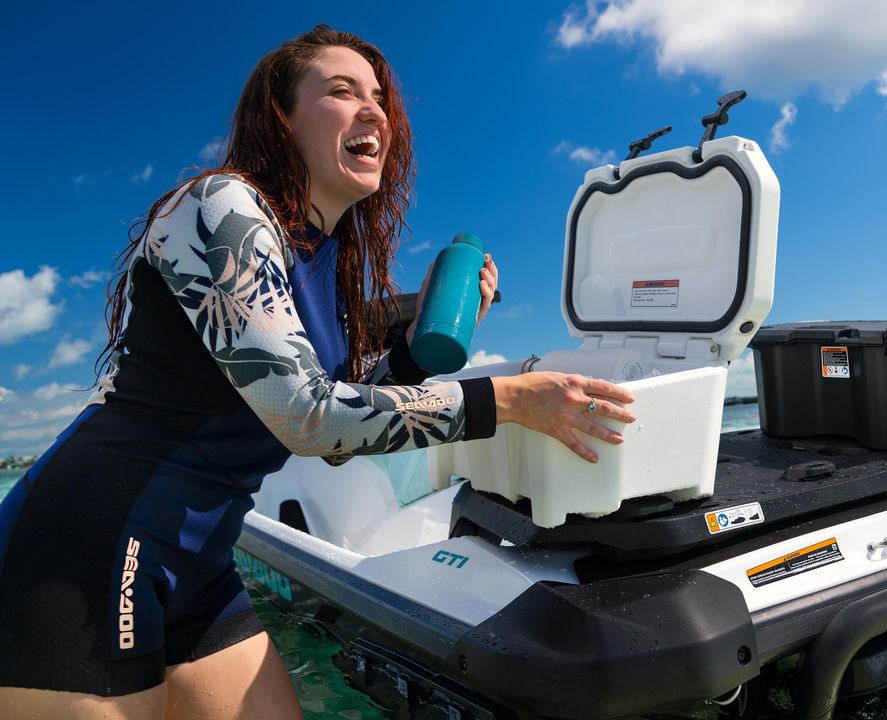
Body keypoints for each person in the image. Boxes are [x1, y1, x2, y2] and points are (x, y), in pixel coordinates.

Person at [0, 25, 635, 719]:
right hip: (91, 542)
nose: (374, 112)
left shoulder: (326, 266)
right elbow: (307, 416)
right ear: (281, 116)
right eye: (341, 91)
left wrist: (425, 346)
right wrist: (507, 399)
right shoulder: (222, 209)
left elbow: (341, 413)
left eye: (379, 100)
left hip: (201, 556)